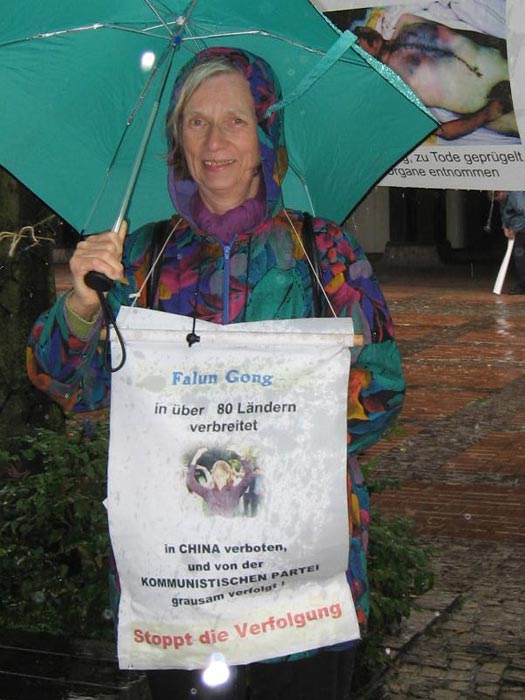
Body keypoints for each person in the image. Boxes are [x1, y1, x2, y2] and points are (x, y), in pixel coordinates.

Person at [27, 47, 405, 699]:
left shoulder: (323, 251)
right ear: (176, 138)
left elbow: (383, 388)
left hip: (299, 582)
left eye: (234, 120)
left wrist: (274, 428)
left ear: (265, 134)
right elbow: (63, 384)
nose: (214, 141)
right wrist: (83, 305)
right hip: (179, 584)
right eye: (195, 122)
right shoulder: (140, 258)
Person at [354, 13, 518, 142]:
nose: (362, 37)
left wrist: (503, 44)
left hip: (512, 63)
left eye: (359, 30)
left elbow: (462, 35)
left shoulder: (407, 21)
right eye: (356, 43)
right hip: (505, 108)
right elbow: (442, 131)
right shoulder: (395, 90)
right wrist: (487, 114)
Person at [493, 191, 525, 294]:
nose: (499, 200)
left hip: (522, 230)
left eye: (498, 197)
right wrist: (505, 226)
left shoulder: (516, 196)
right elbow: (504, 213)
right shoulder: (503, 199)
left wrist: (515, 229)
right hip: (518, 230)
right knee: (519, 257)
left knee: (519, 257)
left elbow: (523, 212)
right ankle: (522, 284)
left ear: (502, 191)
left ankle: (523, 285)